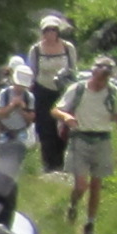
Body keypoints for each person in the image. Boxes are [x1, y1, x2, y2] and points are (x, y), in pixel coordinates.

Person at [60, 55, 117, 234]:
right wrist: (66, 117)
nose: (101, 82)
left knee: (97, 185)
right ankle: (73, 205)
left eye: (105, 78)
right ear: (93, 71)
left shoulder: (113, 93)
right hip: (80, 138)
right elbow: (57, 109)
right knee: (81, 185)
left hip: (102, 140)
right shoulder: (78, 89)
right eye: (99, 76)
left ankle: (89, 226)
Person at [26, 10, 80, 173]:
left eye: (53, 29)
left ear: (58, 31)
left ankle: (62, 160)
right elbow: (32, 73)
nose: (50, 33)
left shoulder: (67, 48)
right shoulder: (36, 50)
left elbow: (73, 70)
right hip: (43, 91)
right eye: (47, 30)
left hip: (63, 91)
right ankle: (49, 163)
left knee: (64, 125)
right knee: (45, 127)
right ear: (42, 32)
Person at [0, 58, 40, 174]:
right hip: (4, 131)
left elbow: (31, 119)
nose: (20, 88)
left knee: (17, 159)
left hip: (20, 132)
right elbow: (0, 114)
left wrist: (21, 109)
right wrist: (11, 106)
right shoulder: (4, 93)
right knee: (1, 158)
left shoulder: (29, 97)